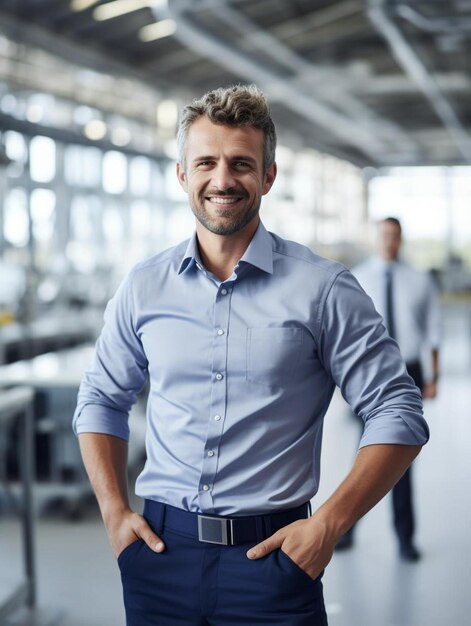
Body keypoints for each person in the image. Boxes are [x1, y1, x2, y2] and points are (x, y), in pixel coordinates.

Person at [73, 85, 429, 626]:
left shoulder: (323, 289)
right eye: (206, 163)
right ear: (181, 175)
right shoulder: (144, 286)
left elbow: (398, 411)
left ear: (268, 176)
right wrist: (114, 512)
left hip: (274, 564)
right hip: (160, 558)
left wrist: (330, 524)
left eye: (241, 164)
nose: (222, 179)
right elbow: (100, 397)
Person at [335, 217, 439, 561]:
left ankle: (405, 539)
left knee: (401, 454)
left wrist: (433, 375)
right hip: (369, 370)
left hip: (409, 369)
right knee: (363, 455)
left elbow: (432, 327)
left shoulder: (418, 279)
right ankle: (346, 531)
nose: (389, 241)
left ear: (401, 239)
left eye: (394, 236)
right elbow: (344, 332)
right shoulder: (359, 277)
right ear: (377, 238)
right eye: (384, 235)